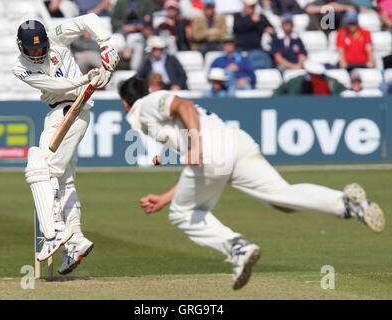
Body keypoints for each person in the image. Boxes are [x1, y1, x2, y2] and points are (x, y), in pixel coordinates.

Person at [118, 75, 384, 290]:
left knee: (182, 213)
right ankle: (347, 205)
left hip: (213, 151)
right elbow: (198, 169)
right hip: (234, 144)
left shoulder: (148, 103)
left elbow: (184, 105)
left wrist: (196, 145)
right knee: (282, 199)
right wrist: (165, 197)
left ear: (126, 103)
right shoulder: (153, 116)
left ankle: (237, 248)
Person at [13, 15, 119, 275]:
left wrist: (106, 45)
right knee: (63, 180)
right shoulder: (19, 67)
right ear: (21, 47)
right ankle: (75, 243)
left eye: (41, 47)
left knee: (42, 167)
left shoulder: (57, 36)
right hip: (63, 107)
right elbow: (54, 85)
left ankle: (55, 232)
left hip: (73, 109)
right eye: (32, 49)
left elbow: (89, 20)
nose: (38, 52)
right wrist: (87, 79)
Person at [233, 0, 275, 69]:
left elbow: (272, 30)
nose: (251, 8)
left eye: (253, 6)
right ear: (244, 5)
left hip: (257, 49)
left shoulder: (261, 17)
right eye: (249, 6)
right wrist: (252, 21)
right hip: (241, 50)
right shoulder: (238, 16)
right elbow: (238, 28)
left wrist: (271, 31)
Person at [274, 61, 347, 95]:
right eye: (313, 74)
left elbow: (344, 92)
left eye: (317, 75)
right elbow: (279, 91)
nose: (315, 77)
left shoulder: (329, 81)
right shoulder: (297, 81)